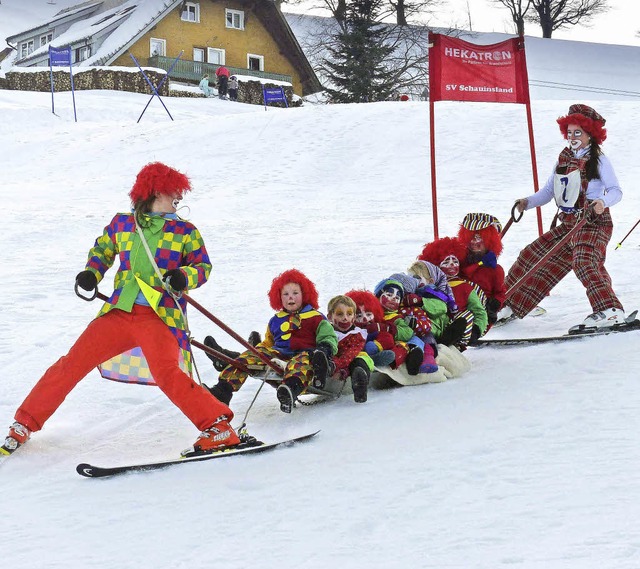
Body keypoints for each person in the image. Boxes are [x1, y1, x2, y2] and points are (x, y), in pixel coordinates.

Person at [1, 162, 241, 457]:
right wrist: (92, 272)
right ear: (153, 191)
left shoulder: (185, 231)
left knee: (168, 373)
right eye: (172, 190)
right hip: (119, 312)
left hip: (160, 315)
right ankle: (24, 422)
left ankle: (218, 427)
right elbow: (102, 250)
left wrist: (183, 277)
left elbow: (203, 267)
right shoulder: (123, 224)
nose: (179, 196)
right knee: (72, 363)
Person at [500, 104, 625, 330]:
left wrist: (602, 203)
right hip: (569, 223)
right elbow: (548, 192)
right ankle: (510, 304)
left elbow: (616, 191)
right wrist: (527, 202)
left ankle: (609, 310)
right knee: (531, 255)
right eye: (569, 132)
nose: (572, 137)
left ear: (590, 134)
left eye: (578, 132)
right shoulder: (563, 159)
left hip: (593, 221)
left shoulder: (599, 160)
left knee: (584, 261)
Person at [206, 269, 338, 413]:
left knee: (302, 362)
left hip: (305, 354)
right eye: (285, 294)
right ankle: (223, 391)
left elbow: (328, 337)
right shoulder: (275, 320)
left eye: (295, 293)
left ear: (305, 294)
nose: (290, 298)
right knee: (253, 355)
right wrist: (256, 352)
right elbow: (268, 343)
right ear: (279, 297)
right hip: (278, 354)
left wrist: (324, 349)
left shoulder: (316, 317)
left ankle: (290, 389)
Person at [419, 237, 488, 348]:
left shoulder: (465, 287)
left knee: (466, 316)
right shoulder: (431, 285)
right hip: (434, 325)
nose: (452, 264)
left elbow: (479, 311)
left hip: (457, 328)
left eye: (455, 261)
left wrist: (477, 330)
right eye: (447, 261)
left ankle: (447, 341)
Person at [456, 213, 506, 326]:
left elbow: (500, 293)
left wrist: (494, 305)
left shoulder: (495, 271)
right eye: (470, 237)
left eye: (478, 237)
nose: (473, 242)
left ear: (489, 240)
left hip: (481, 314)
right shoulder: (457, 262)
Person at [325, 295, 373, 403]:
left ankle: (360, 385)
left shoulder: (358, 334)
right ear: (329, 317)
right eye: (339, 314)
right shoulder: (328, 333)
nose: (345, 318)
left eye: (349, 314)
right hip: (337, 362)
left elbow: (350, 353)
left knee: (359, 362)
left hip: (354, 358)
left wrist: (338, 368)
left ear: (354, 317)